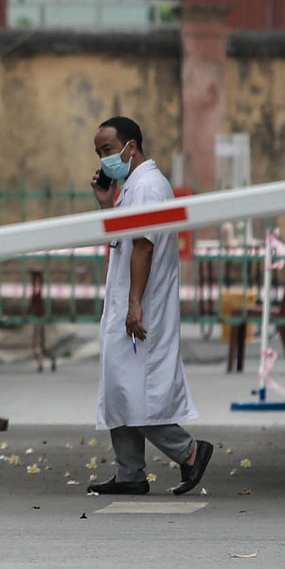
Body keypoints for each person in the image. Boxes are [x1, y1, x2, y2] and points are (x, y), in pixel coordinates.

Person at [85, 116, 214, 497]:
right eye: (98, 153)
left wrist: (135, 303)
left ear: (132, 146)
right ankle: (130, 473)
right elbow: (123, 240)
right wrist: (107, 204)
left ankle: (189, 452)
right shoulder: (131, 188)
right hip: (127, 302)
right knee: (117, 388)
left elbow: (143, 246)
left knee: (133, 391)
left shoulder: (147, 188)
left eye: (108, 150)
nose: (104, 159)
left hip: (141, 305)